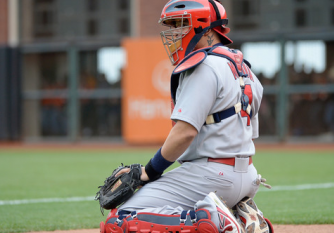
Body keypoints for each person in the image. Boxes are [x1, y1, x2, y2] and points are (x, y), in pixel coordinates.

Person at [101, 1, 273, 233]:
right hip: (248, 175)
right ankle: (241, 216)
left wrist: (148, 172)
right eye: (172, 26)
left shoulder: (203, 65)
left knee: (119, 221)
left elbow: (185, 133)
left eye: (181, 24)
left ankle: (216, 219)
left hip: (210, 175)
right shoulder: (247, 70)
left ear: (206, 28)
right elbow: (250, 134)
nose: (174, 32)